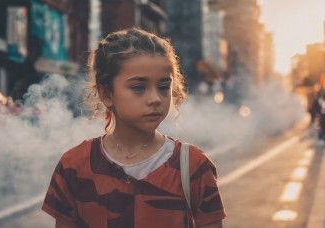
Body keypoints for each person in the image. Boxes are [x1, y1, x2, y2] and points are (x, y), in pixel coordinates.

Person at [42, 27, 227, 228]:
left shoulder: (193, 165)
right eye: (139, 87)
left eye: (164, 87)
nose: (155, 99)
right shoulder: (74, 165)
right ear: (106, 94)